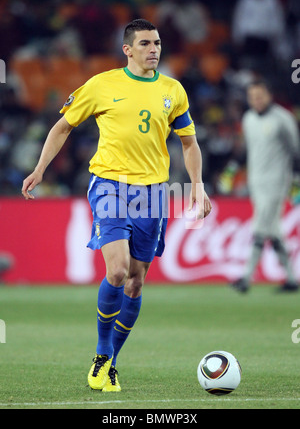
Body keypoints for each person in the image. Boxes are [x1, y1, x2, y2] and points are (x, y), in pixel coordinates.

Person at [22, 19, 212, 391]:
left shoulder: (173, 90)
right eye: (144, 44)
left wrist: (197, 186)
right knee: (118, 270)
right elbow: (62, 127)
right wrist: (40, 168)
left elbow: (189, 143)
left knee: (136, 283)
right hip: (110, 184)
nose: (153, 49)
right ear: (127, 49)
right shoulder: (102, 85)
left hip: (154, 192)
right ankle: (101, 352)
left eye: (156, 43)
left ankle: (111, 363)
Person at [231, 80, 300, 293]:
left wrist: (296, 182)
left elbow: (296, 152)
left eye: (259, 96)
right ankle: (290, 279)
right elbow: (245, 150)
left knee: (260, 226)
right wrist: (231, 170)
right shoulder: (249, 118)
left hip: (277, 181)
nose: (256, 101)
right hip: (256, 181)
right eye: (252, 97)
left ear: (269, 95)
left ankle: (245, 277)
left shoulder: (283, 119)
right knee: (273, 229)